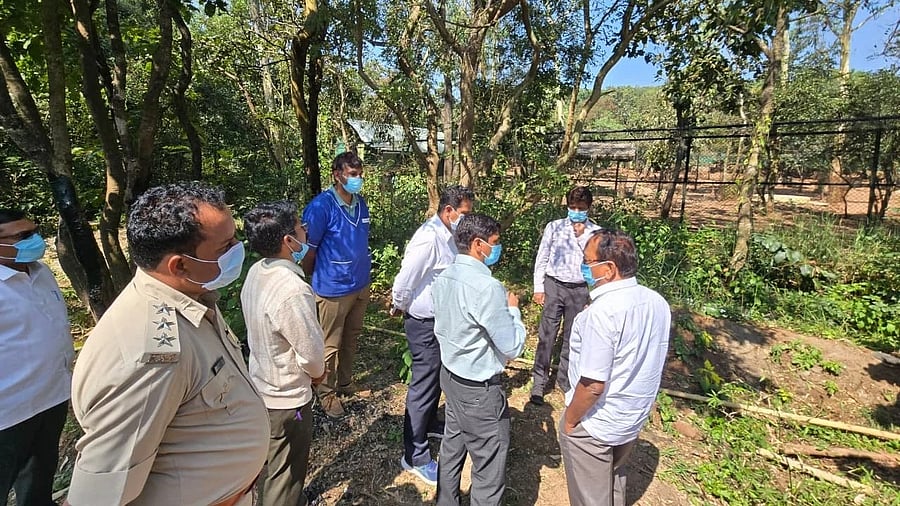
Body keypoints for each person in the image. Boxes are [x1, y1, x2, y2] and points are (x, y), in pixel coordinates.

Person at [66, 183, 269, 506]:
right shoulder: (151, 354)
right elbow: (99, 495)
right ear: (180, 265)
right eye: (226, 246)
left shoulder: (191, 296)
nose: (239, 249)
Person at [559, 229, 671, 506]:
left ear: (608, 269)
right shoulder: (657, 302)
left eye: (588, 262)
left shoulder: (603, 312)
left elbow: (594, 384)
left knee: (590, 497)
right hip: (631, 417)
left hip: (595, 421)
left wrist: (571, 420)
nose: (583, 268)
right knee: (614, 477)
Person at [431, 214, 526, 506]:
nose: (497, 249)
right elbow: (512, 347)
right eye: (494, 243)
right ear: (477, 244)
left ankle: (446, 501)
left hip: (450, 376)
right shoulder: (487, 287)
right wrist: (513, 311)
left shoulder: (443, 276)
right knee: (488, 463)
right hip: (479, 390)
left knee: (452, 445)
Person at [241, 201, 326, 506]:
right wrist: (318, 375)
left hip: (261, 385)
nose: (306, 231)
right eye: (301, 228)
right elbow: (312, 353)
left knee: (273, 460)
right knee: (287, 470)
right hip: (287, 399)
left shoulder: (256, 271)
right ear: (288, 241)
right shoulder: (292, 289)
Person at [391, 185, 475, 486]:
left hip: (440, 321)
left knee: (437, 377)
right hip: (424, 323)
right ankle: (415, 455)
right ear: (448, 211)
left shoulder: (449, 236)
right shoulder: (428, 239)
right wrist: (399, 305)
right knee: (423, 385)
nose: (466, 220)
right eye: (463, 214)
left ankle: (428, 424)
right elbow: (406, 278)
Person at [0, 209, 73, 506]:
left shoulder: (41, 272)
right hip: (8, 411)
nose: (35, 240)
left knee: (39, 479)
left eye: (34, 231)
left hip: (51, 399)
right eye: (23, 236)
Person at [301, 151, 372, 418]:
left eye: (360, 174)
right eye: (353, 174)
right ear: (337, 175)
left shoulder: (360, 203)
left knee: (351, 339)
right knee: (329, 345)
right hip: (332, 288)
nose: (358, 179)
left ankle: (345, 384)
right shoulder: (321, 207)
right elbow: (309, 249)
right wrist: (314, 276)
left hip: (360, 283)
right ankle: (326, 394)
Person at [530, 186, 601, 406]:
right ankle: (539, 384)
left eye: (581, 208)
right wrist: (538, 287)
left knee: (573, 337)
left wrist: (581, 237)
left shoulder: (595, 233)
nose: (576, 211)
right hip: (554, 285)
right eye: (572, 207)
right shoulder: (554, 227)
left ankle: (565, 381)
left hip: (579, 290)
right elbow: (542, 257)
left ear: (589, 208)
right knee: (547, 335)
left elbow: (597, 264)